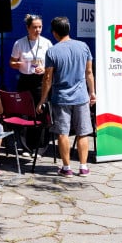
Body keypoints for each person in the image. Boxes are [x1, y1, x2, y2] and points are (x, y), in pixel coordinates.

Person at [36, 16, 95, 177]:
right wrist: (92, 92)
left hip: (61, 98)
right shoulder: (83, 47)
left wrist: (42, 100)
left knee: (62, 133)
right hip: (82, 97)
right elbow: (89, 72)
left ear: (54, 33)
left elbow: (47, 78)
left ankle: (67, 168)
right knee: (83, 132)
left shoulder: (52, 51)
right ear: (69, 29)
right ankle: (83, 167)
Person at [9, 14, 53, 103]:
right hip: (24, 81)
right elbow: (12, 62)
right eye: (35, 27)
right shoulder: (19, 43)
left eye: (40, 27)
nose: (38, 30)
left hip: (40, 81)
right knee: (24, 111)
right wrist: (16, 64)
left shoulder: (47, 43)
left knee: (40, 111)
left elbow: (53, 64)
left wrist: (44, 69)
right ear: (28, 28)